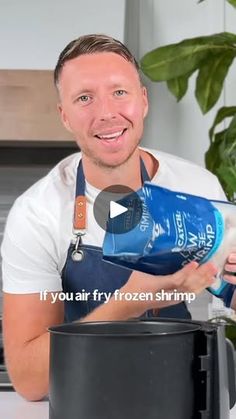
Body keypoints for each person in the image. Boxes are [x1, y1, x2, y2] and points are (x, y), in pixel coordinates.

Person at [1, 34, 236, 401]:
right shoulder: (37, 215)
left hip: (180, 392)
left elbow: (229, 295)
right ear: (64, 115)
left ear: (143, 100)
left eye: (119, 92)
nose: (106, 112)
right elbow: (30, 381)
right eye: (84, 98)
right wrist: (129, 302)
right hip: (85, 398)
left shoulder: (196, 186)